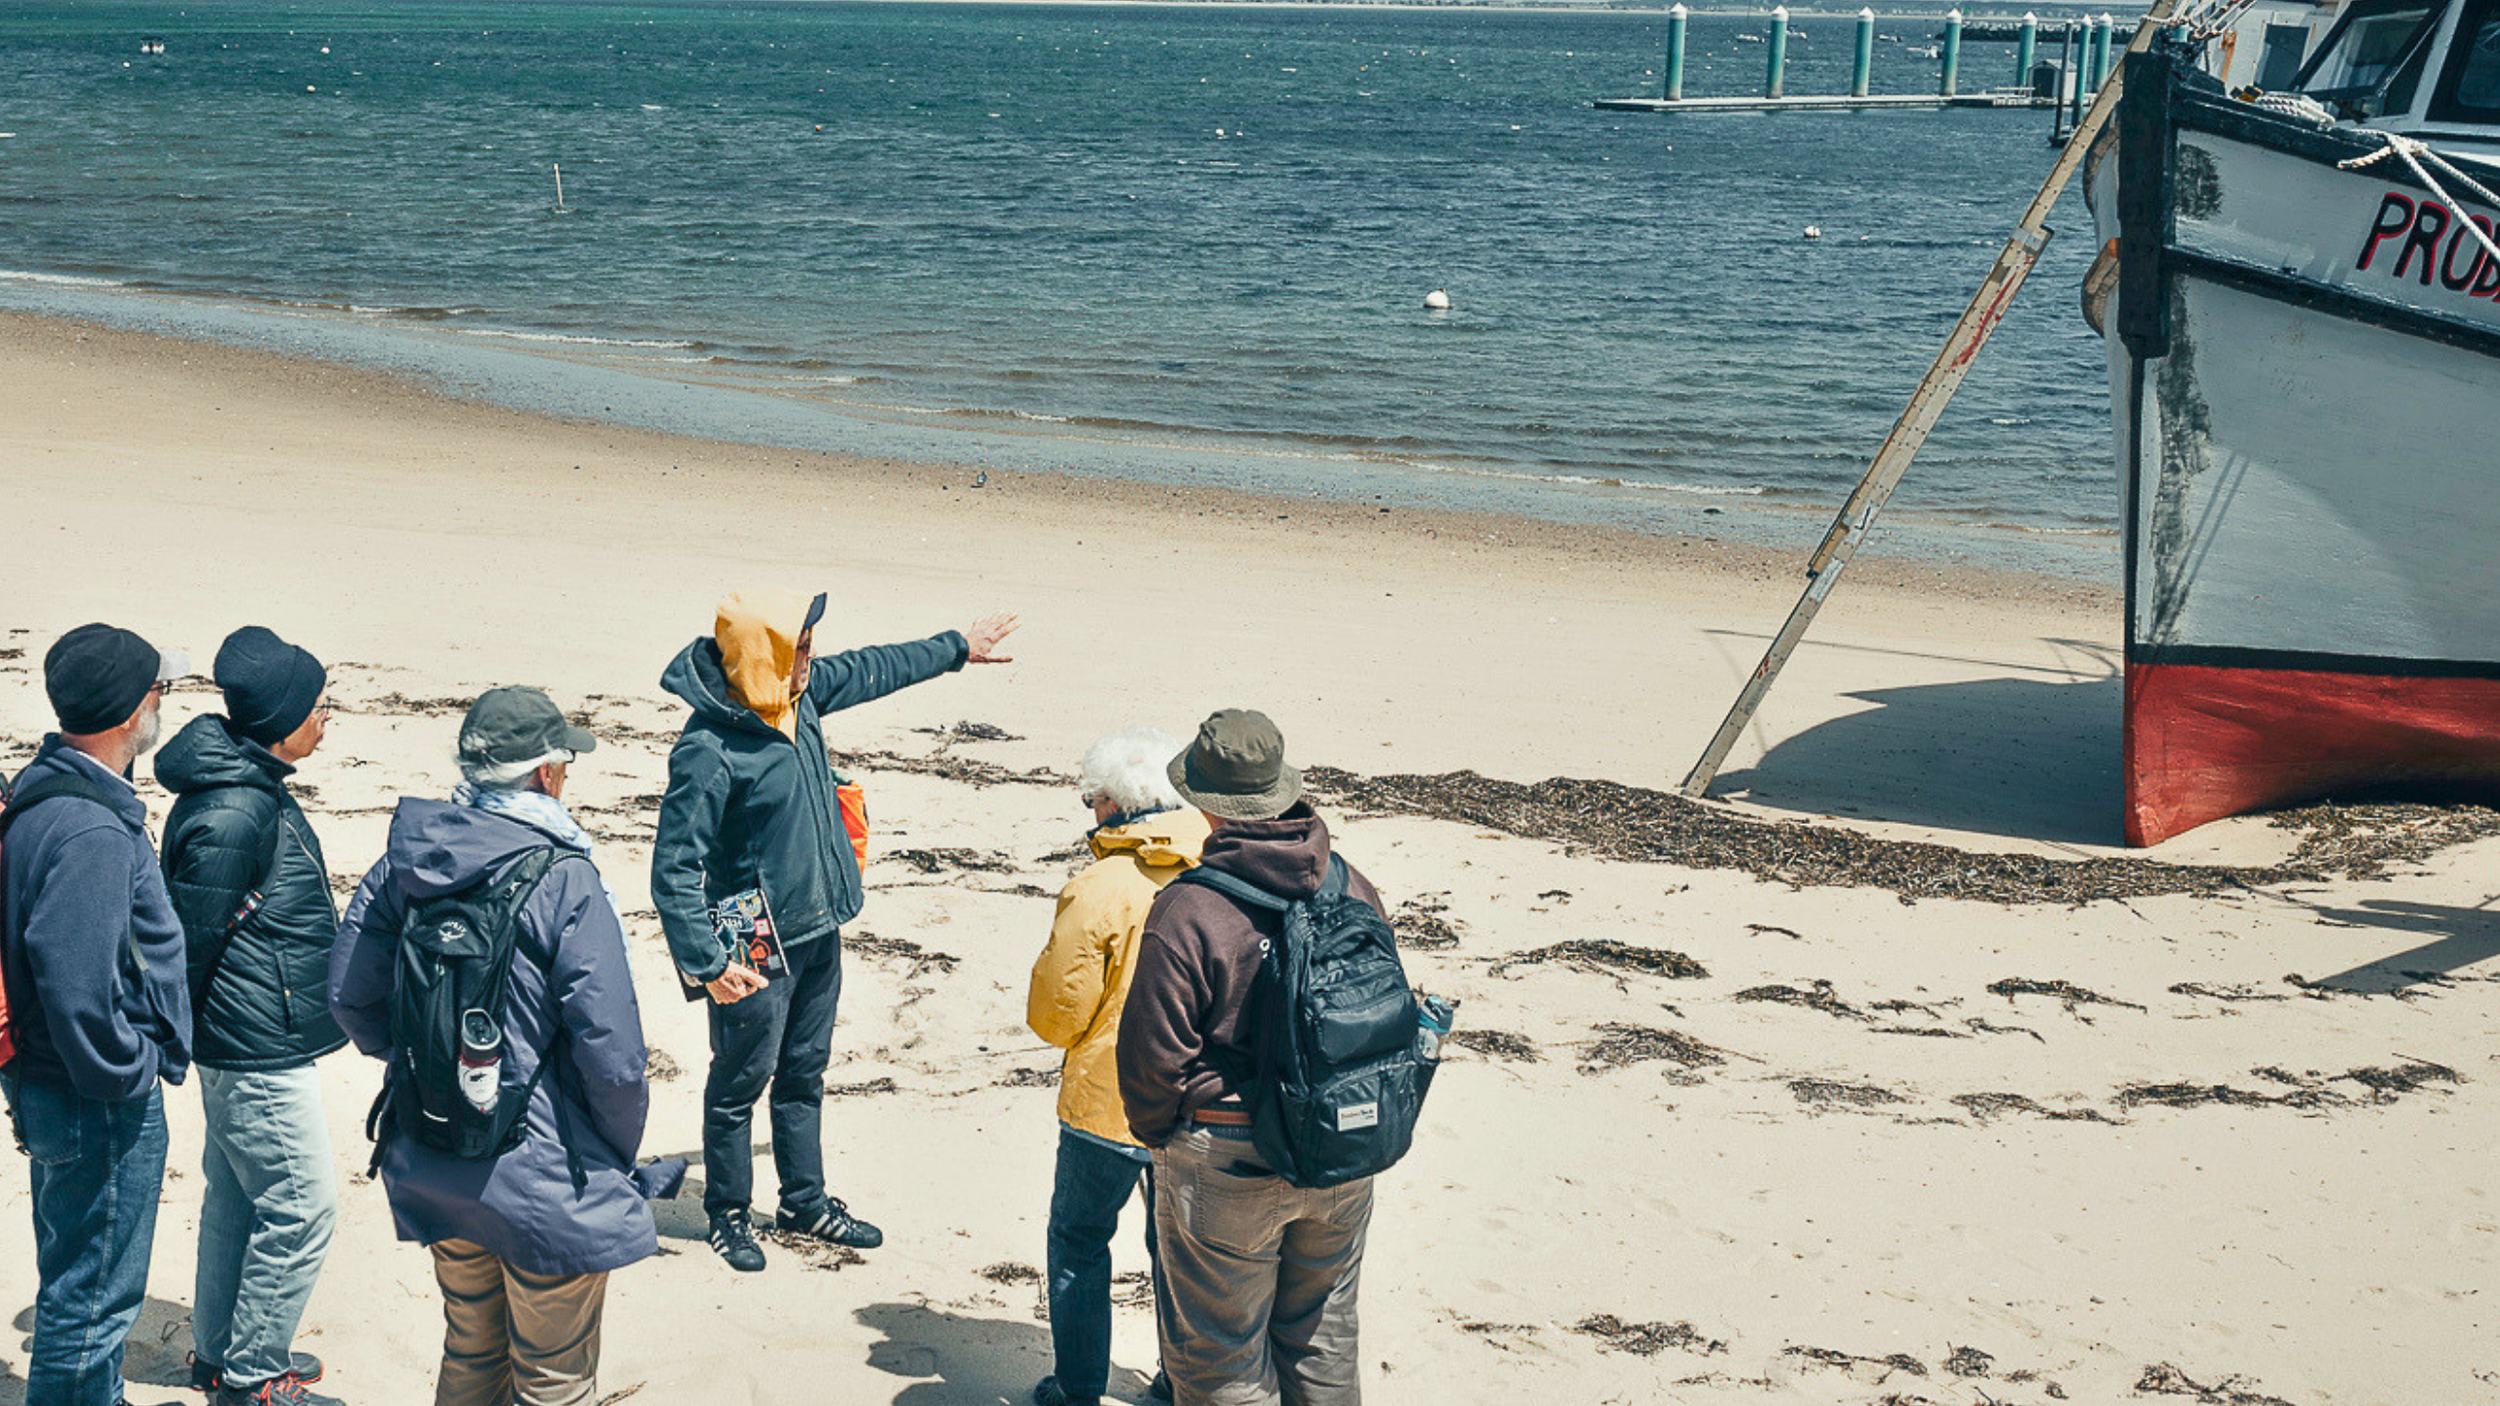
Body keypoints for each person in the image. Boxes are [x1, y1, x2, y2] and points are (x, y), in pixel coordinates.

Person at [651, 589, 1017, 1271]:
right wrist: (706, 962)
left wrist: (958, 648)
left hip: (820, 922)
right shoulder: (708, 749)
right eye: (800, 647)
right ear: (763, 656)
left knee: (805, 1072)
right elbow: (673, 869)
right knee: (739, 1081)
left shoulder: (802, 699)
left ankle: (805, 1201)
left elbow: (878, 666)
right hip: (750, 937)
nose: (812, 657)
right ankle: (728, 1213)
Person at [331, 687, 656, 1406]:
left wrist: (426, 1070)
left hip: (435, 1153)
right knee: (553, 1376)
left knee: (472, 1351)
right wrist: (611, 1151)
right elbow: (615, 1057)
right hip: (542, 1175)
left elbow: (350, 998)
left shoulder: (405, 864)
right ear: (546, 774)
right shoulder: (564, 877)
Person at [1118, 711, 1387, 1406]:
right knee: (1323, 1341)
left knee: (1222, 1362)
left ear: (1206, 803)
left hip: (1226, 1153)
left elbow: (1151, 1061)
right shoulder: (1353, 885)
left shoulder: (1188, 908)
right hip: (1343, 1143)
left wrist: (1164, 1139)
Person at [0, 623, 193, 1406]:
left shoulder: (46, 789)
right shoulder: (87, 827)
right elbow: (76, 978)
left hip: (56, 1084)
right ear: (128, 713)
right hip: (92, 1097)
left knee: (76, 1277)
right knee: (91, 1304)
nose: (163, 705)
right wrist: (128, 1069)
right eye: (160, 691)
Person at [157, 627, 345, 1406]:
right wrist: (178, 1044)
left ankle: (217, 1354)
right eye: (318, 705)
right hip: (251, 1046)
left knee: (237, 1196)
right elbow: (183, 947)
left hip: (253, 1033)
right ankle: (255, 1376)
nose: (327, 716)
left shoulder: (251, 780)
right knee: (304, 1209)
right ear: (280, 720)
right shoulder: (234, 812)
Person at [1025, 728, 1208, 1406]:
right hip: (1194, 1103)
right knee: (1179, 1256)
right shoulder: (1214, 865)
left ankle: (1077, 1390)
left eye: (1090, 800)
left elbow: (1055, 1018)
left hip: (1106, 1104)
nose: (1089, 812)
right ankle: (1176, 1386)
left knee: (1078, 1242)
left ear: (1113, 804)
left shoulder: (1097, 887)